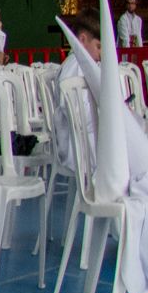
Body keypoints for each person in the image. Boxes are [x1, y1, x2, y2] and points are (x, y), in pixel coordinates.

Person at [50, 9, 100, 176]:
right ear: (83, 40)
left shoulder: (86, 66)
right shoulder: (73, 67)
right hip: (77, 145)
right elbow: (75, 114)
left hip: (89, 139)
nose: (101, 54)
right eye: (98, 46)